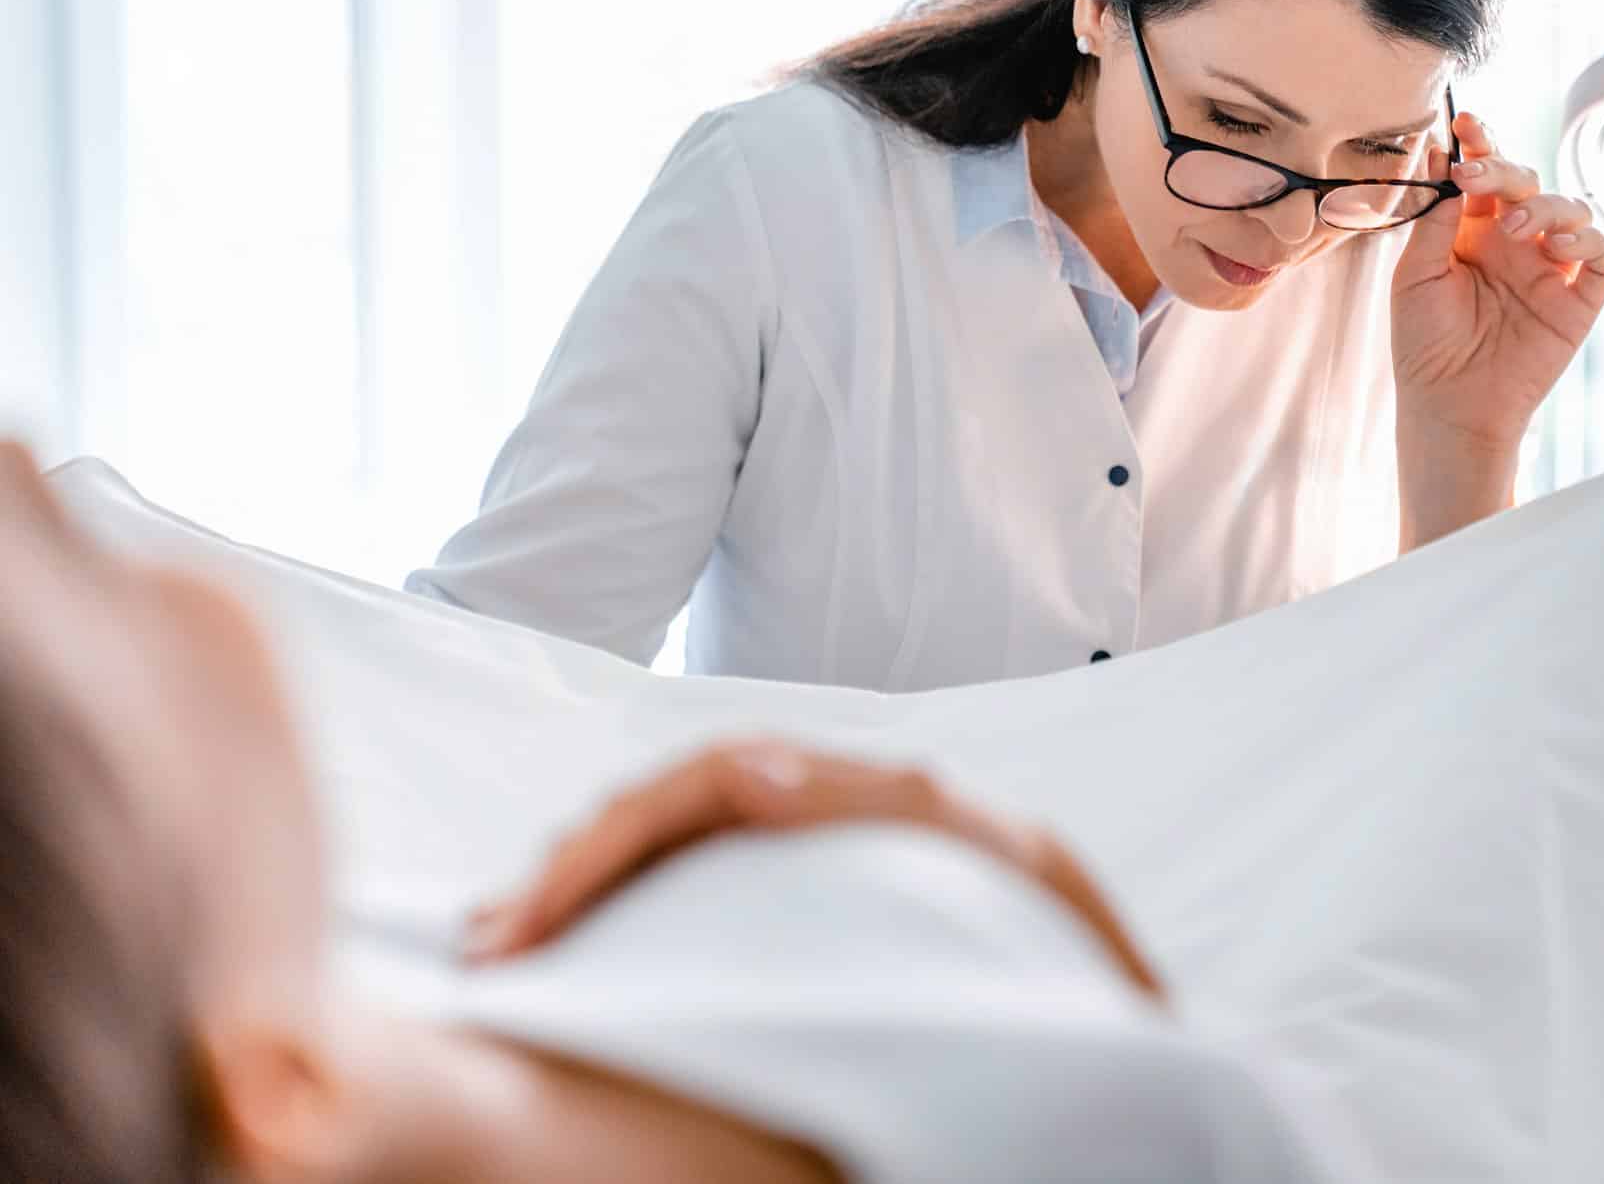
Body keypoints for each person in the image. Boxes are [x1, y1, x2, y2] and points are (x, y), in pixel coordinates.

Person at [407, 0, 1604, 692]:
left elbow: (1452, 778)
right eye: (1234, 124)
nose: (1293, 221)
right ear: (1099, 7)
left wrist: (1465, 438)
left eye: (1369, 144)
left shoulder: (1404, 259)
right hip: (816, 988)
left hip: (1226, 1002)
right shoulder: (782, 195)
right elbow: (518, 658)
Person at [0, 440, 1183, 1183]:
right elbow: (1210, 1115)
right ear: (281, 1089)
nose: (22, 469)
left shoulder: (253, 971)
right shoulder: (1087, 1127)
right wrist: (995, 853)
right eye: (58, 604)